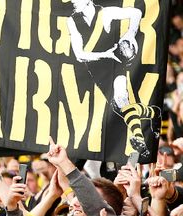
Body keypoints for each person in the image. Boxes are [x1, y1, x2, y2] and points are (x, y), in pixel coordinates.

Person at [67, 0, 160, 156]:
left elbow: (136, 13)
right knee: (120, 109)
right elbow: (80, 55)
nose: (72, 2)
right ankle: (153, 113)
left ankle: (139, 138)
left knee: (122, 98)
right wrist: (106, 54)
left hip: (116, 65)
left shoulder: (106, 13)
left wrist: (130, 34)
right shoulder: (72, 20)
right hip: (97, 72)